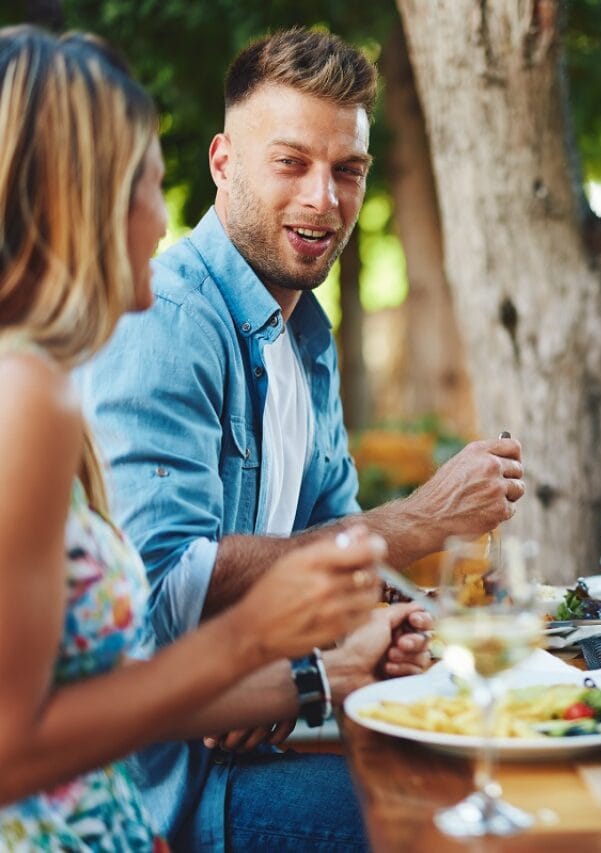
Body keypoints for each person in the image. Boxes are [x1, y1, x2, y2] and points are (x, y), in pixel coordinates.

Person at [79, 27, 524, 850]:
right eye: (291, 162)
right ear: (223, 163)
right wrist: (421, 519)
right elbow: (163, 592)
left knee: (508, 770)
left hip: (255, 731)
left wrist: (361, 639)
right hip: (165, 784)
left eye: (347, 169)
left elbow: (342, 569)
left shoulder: (307, 336)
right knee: (461, 815)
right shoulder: (167, 321)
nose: (324, 198)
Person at [0, 25, 429, 852]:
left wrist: (317, 673)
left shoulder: (40, 384)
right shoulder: (29, 395)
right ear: (77, 200)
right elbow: (16, 745)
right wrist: (256, 637)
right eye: (145, 184)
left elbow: (106, 686)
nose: (164, 218)